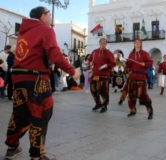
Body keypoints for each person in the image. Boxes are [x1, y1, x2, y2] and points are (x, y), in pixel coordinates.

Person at [4, 6, 80, 160]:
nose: (50, 18)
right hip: (37, 79)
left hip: (18, 79)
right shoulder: (46, 30)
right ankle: (37, 155)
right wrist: (72, 71)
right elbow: (55, 55)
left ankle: (12, 147)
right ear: (42, 16)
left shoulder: (22, 33)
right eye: (49, 15)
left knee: (19, 114)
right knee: (41, 114)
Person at [126, 39, 154, 119]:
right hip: (132, 77)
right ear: (134, 44)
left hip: (141, 77)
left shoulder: (144, 53)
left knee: (143, 96)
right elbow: (128, 65)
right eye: (136, 42)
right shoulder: (131, 54)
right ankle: (132, 110)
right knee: (131, 95)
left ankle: (150, 111)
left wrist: (145, 64)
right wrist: (126, 67)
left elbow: (150, 62)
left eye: (139, 42)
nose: (137, 43)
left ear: (141, 44)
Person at [88, 38, 116, 113]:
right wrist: (90, 63)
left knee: (104, 91)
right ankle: (98, 103)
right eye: (101, 43)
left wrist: (107, 65)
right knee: (93, 89)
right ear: (99, 43)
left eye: (104, 43)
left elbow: (113, 63)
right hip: (94, 74)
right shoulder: (94, 52)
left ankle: (105, 105)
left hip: (104, 75)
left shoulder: (109, 52)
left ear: (106, 44)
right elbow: (89, 59)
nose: (102, 44)